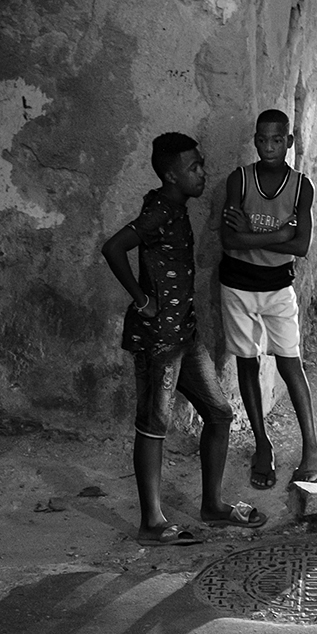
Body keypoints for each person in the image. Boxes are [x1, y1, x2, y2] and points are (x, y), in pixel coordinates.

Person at [101, 132, 265, 546]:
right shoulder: (159, 210)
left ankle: (212, 505)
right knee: (154, 425)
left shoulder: (175, 207)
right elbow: (114, 248)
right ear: (172, 175)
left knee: (219, 413)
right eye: (194, 168)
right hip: (159, 340)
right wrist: (143, 302)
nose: (202, 174)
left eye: (201, 165)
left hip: (184, 335)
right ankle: (152, 523)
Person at [219, 109, 317, 490]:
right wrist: (279, 235)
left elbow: (301, 246)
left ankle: (312, 448)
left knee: (289, 362)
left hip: (278, 288)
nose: (269, 147)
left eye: (277, 140)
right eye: (262, 140)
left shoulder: (302, 187)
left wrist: (257, 235)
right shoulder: (240, 180)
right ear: (255, 141)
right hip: (236, 285)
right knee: (246, 361)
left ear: (289, 142)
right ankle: (262, 445)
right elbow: (229, 240)